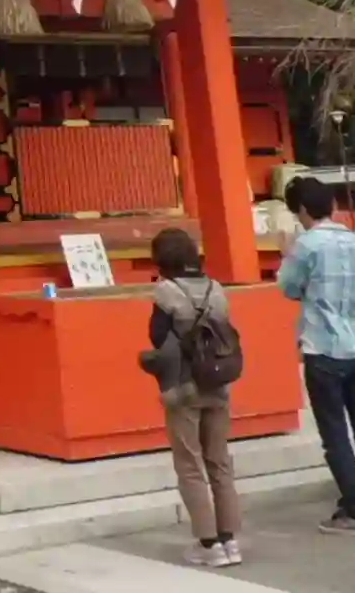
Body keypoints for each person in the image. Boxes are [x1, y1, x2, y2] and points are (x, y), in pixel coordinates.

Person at [277, 177, 355, 535]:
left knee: (335, 434)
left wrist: (286, 255)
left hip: (324, 347)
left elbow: (288, 288)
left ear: (301, 209)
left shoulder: (306, 245)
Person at [139, 228, 242, 567]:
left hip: (183, 387)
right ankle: (230, 540)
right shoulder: (217, 289)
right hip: (218, 382)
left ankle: (208, 543)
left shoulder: (166, 291)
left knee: (190, 464)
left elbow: (157, 336)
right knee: (220, 461)